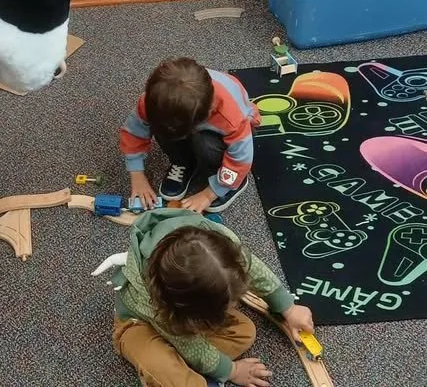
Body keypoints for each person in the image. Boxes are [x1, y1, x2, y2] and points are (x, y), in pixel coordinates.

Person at [92, 209, 315, 387]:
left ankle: (192, 366)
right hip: (138, 325)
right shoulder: (155, 301)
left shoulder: (219, 244)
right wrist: (231, 371)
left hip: (181, 320)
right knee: (166, 369)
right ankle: (191, 373)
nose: (234, 305)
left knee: (245, 331)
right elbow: (187, 342)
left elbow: (252, 267)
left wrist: (287, 307)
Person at [119, 57, 260, 213]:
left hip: (232, 134)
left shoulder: (230, 116)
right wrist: (137, 176)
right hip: (190, 120)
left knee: (206, 144)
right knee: (160, 125)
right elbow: (134, 132)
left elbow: (240, 158)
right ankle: (184, 162)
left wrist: (209, 195)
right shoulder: (154, 101)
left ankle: (231, 182)